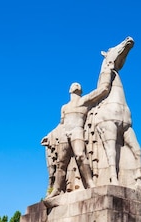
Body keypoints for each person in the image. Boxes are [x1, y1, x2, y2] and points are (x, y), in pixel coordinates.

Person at [44, 63, 114, 200]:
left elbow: (103, 90)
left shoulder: (84, 101)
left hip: (77, 131)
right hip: (64, 134)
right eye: (73, 85)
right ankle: (56, 190)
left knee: (81, 156)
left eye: (78, 85)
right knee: (61, 163)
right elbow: (61, 124)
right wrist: (49, 135)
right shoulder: (64, 107)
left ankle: (90, 183)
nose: (76, 85)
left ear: (80, 90)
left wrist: (108, 71)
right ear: (70, 90)